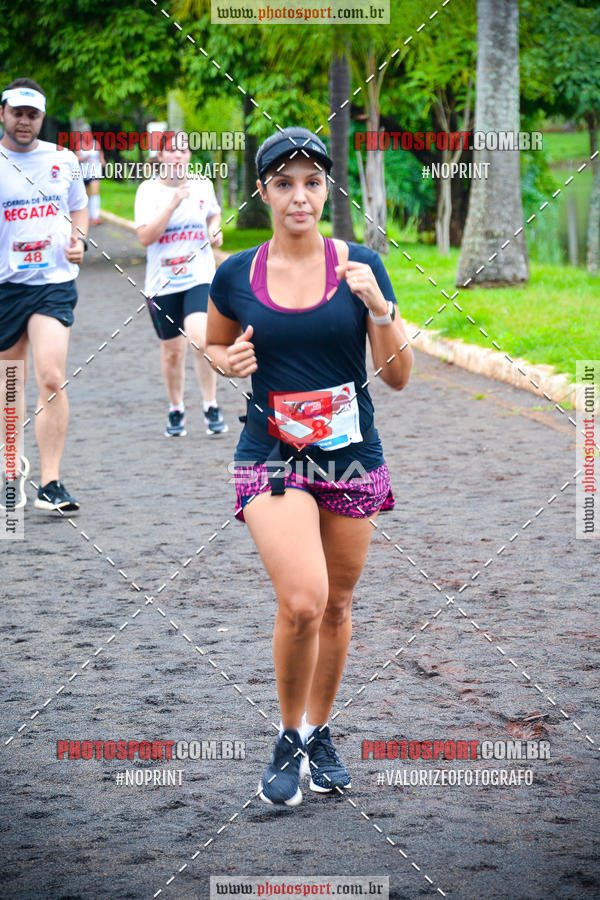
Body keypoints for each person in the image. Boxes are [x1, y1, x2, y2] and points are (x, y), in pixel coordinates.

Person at [206, 127, 413, 806]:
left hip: (351, 457)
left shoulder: (362, 264)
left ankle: (315, 730)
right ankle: (287, 735)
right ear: (263, 190)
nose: (300, 196)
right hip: (269, 454)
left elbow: (400, 376)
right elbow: (213, 345)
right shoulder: (237, 272)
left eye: (313, 182)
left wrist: (379, 308)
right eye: (285, 182)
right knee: (303, 601)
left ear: (328, 189)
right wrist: (226, 361)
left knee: (339, 605)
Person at [0, 77, 89, 512]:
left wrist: (79, 239)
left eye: (32, 114)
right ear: (3, 113)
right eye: (17, 112)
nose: (24, 121)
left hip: (53, 283)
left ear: (41, 118)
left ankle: (51, 483)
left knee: (52, 377)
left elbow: (79, 206)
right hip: (5, 286)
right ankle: (9, 475)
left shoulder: (63, 159)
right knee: (10, 386)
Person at [135, 131, 228, 437]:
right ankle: (176, 408)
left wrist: (215, 231)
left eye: (183, 150)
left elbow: (214, 214)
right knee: (172, 352)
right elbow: (146, 237)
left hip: (199, 277)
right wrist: (172, 204)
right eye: (171, 151)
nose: (178, 155)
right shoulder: (148, 191)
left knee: (200, 340)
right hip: (163, 284)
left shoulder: (202, 184)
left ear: (189, 155)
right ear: (160, 156)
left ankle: (210, 404)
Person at [76, 126, 105, 225]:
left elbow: (101, 155)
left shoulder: (96, 144)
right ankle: (87, 217)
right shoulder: (79, 145)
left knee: (95, 192)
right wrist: (85, 158)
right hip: (84, 172)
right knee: (86, 195)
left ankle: (95, 216)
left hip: (95, 171)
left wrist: (102, 161)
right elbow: (77, 159)